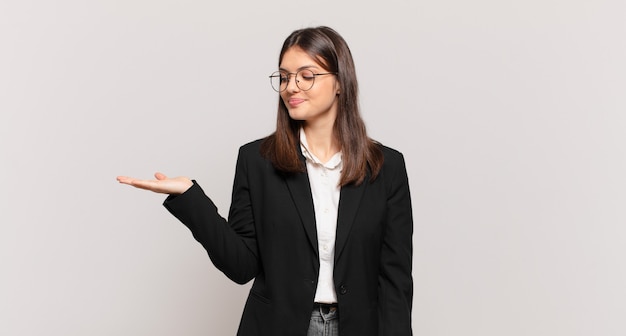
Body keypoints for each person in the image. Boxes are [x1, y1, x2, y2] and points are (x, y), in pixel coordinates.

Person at [117, 26, 413, 336]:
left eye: (306, 75)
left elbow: (395, 279)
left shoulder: (386, 166)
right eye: (284, 77)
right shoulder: (257, 161)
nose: (291, 87)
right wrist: (190, 197)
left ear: (340, 82)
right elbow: (241, 265)